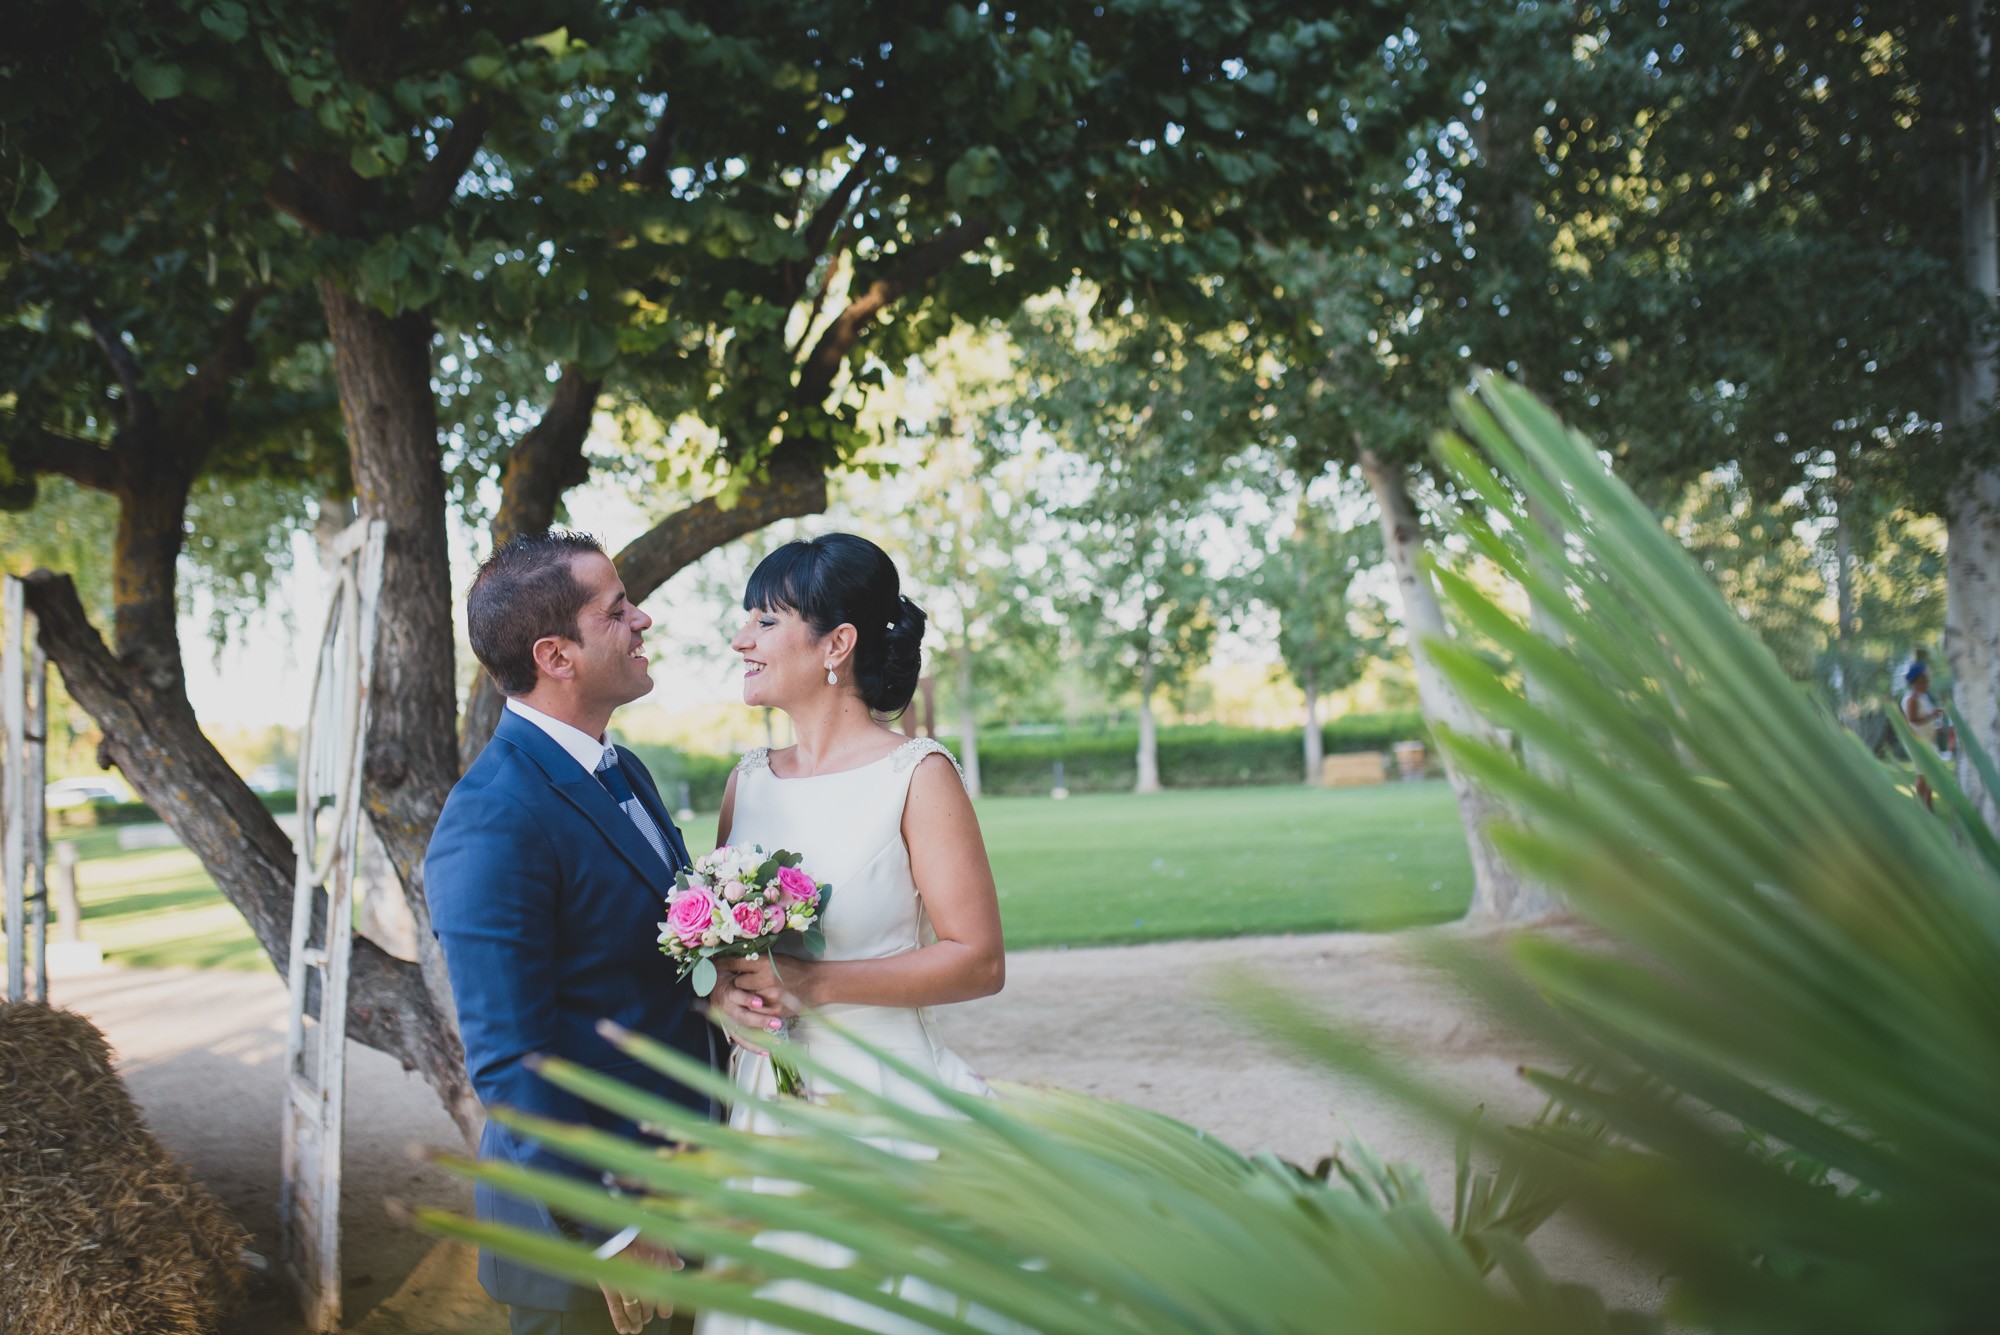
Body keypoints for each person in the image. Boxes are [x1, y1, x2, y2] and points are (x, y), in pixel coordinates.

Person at [700, 533, 1008, 1335]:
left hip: (886, 1106)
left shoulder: (917, 775)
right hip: (768, 1113)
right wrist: (727, 1002)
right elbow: (726, 967)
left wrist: (816, 985)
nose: (742, 640)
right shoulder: (749, 782)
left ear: (837, 644)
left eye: (766, 621)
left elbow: (977, 960)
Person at [426, 530, 713, 1335]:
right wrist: (615, 1230)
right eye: (618, 610)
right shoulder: (494, 815)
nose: (643, 619)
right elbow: (510, 1059)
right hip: (585, 1247)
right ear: (557, 655)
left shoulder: (625, 769)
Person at [1902, 661, 1947, 811]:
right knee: (1923, 776)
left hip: (1929, 741)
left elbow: (1927, 717)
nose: (1928, 682)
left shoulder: (1923, 697)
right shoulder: (1911, 699)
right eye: (1925, 679)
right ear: (1917, 681)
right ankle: (1922, 807)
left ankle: (1928, 806)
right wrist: (1932, 715)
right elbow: (1913, 719)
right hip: (1919, 742)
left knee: (1930, 775)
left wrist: (1936, 725)